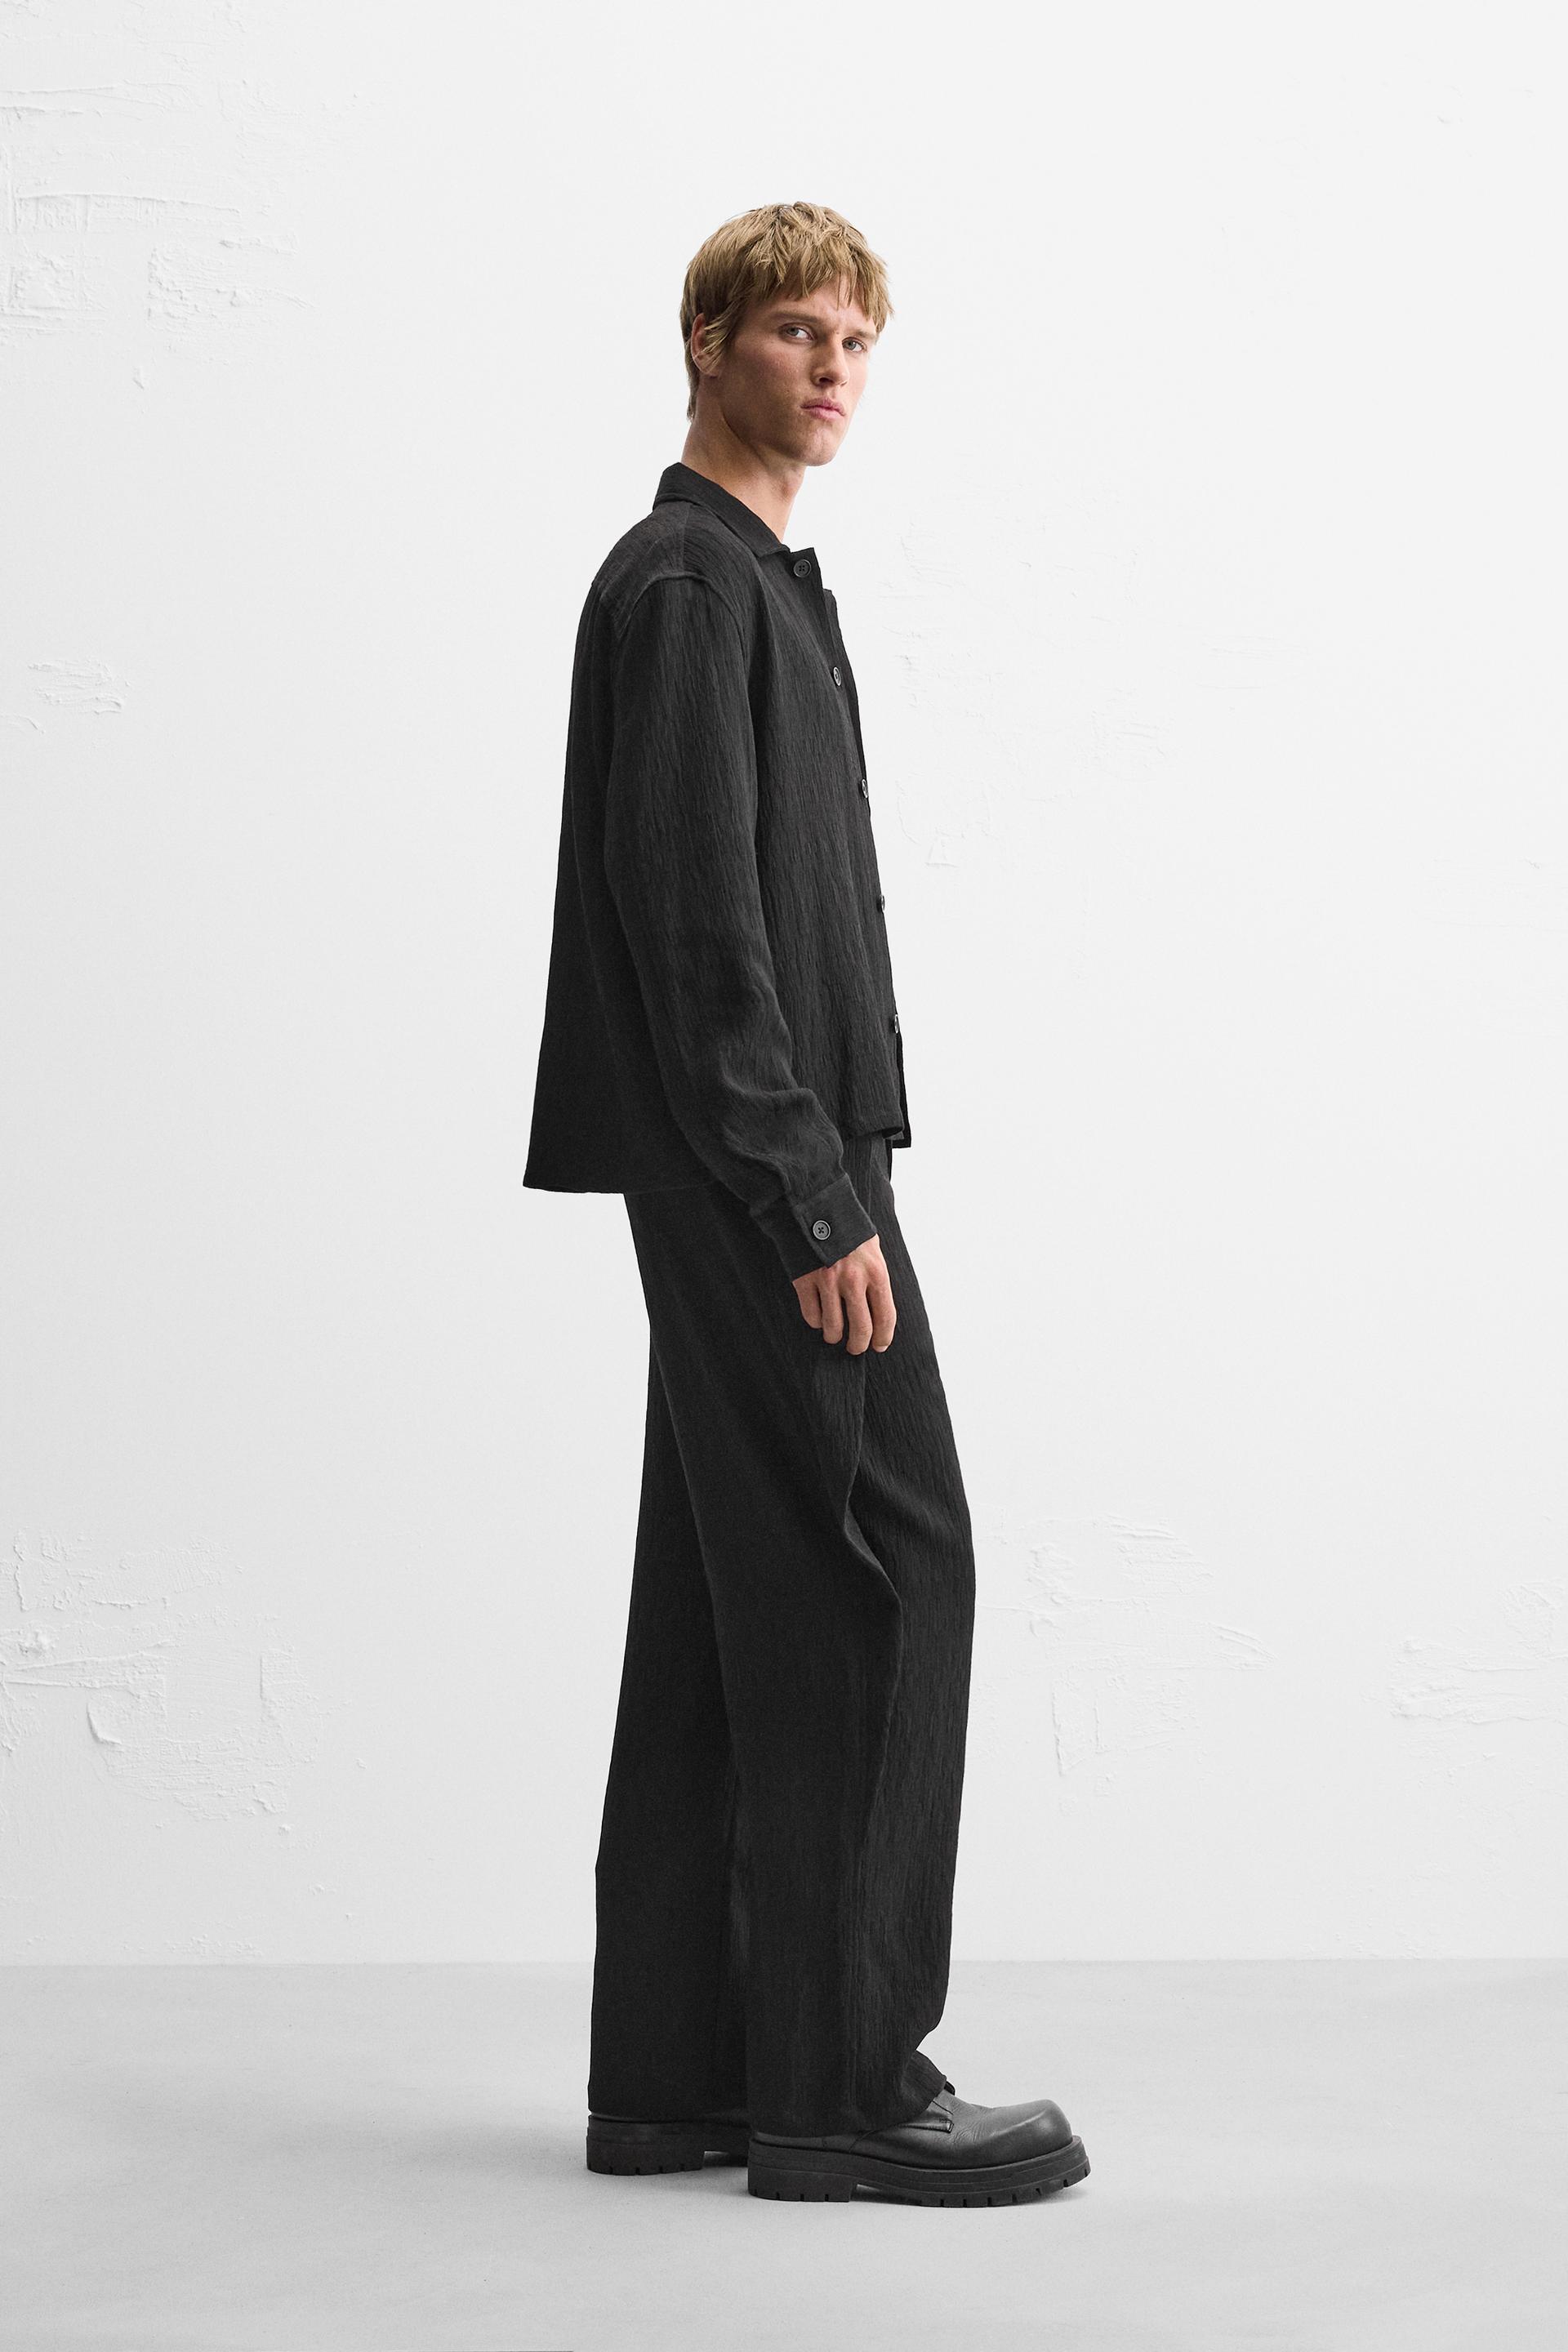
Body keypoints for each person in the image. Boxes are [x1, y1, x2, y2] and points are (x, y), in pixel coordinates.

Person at [523, 199, 1089, 2208]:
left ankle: (677, 2079)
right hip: (770, 1164)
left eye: (856, 338)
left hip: (767, 1155)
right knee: (882, 1576)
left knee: (723, 1605)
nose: (833, 366)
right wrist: (808, 1202)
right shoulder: (690, 583)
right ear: (707, 340)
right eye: (794, 331)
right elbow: (696, 928)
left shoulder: (747, 580)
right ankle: (843, 2089)